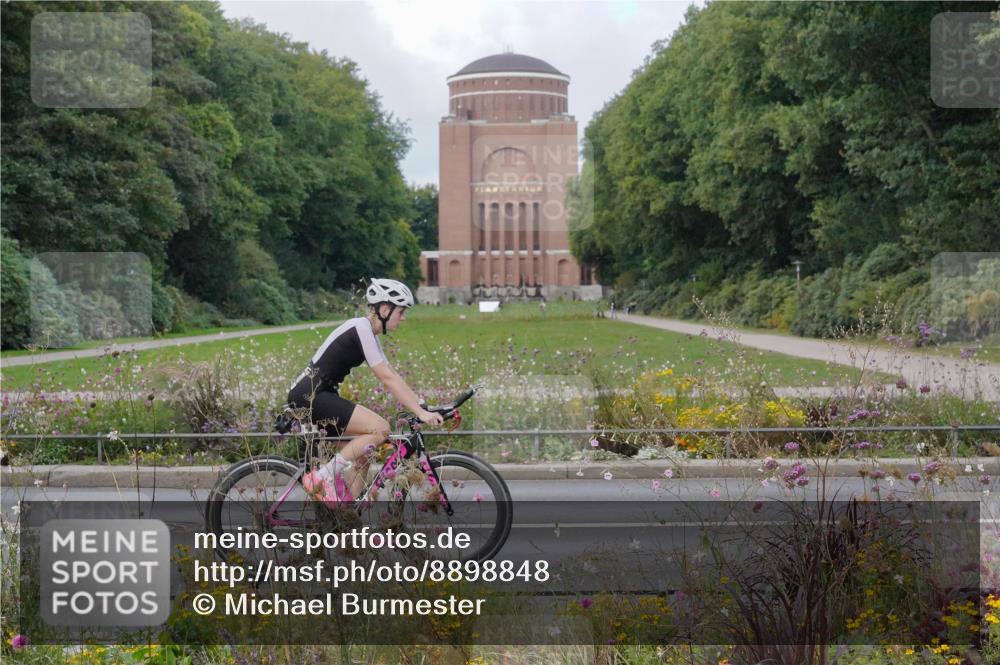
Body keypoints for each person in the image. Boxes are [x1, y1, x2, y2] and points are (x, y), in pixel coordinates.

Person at [286, 278, 443, 507]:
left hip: (319, 394)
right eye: (401, 311)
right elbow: (386, 378)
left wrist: (421, 405)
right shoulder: (360, 327)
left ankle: (346, 516)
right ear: (385, 309)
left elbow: (392, 374)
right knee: (380, 429)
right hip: (311, 395)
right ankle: (319, 478)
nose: (404, 317)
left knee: (364, 454)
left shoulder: (368, 333)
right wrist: (420, 412)